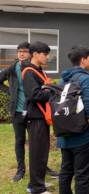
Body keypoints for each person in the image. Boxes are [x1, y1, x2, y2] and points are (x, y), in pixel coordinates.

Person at [0, 42, 59, 183]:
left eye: (24, 51)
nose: (21, 53)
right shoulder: (12, 68)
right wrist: (11, 93)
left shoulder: (35, 70)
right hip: (18, 111)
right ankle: (21, 169)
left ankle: (43, 168)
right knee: (20, 140)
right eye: (19, 51)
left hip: (33, 111)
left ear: (31, 53)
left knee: (36, 143)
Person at [57, 45, 89, 194]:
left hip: (65, 134)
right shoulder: (85, 79)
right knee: (82, 176)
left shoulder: (63, 79)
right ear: (83, 60)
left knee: (66, 172)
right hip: (82, 136)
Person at [21, 41, 53, 194]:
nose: (47, 57)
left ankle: (35, 183)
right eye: (44, 54)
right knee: (37, 153)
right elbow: (34, 95)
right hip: (35, 117)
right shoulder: (29, 72)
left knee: (42, 152)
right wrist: (53, 94)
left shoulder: (39, 71)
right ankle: (37, 189)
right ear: (35, 54)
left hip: (42, 116)